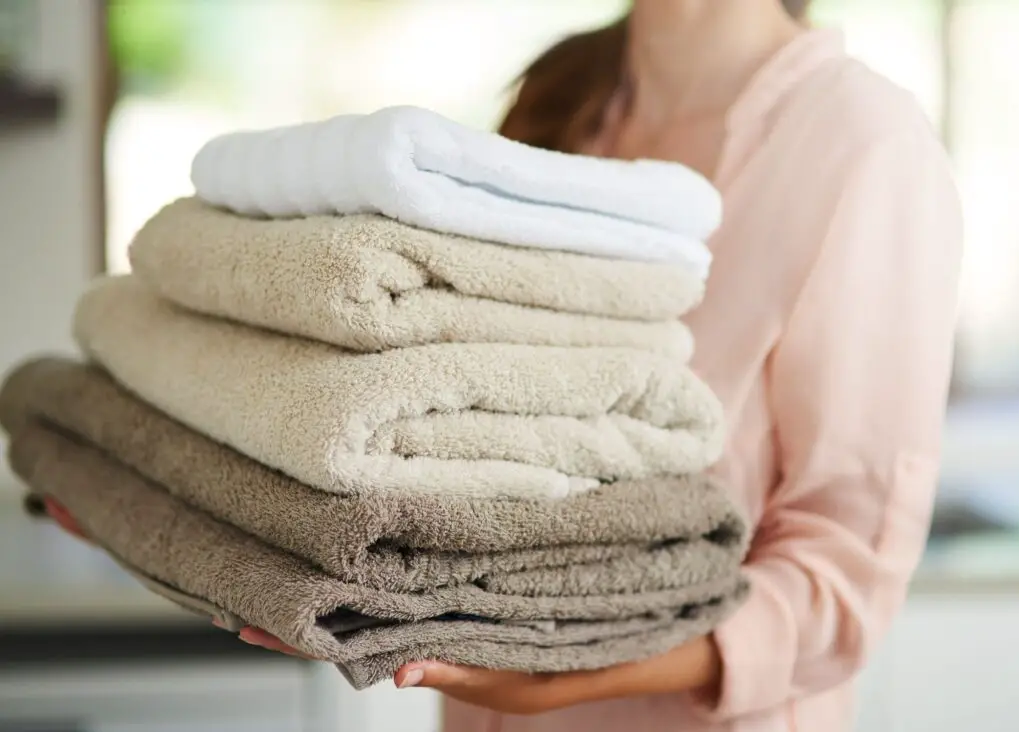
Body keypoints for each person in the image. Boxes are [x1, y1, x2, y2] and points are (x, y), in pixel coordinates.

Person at [45, 0, 963, 730]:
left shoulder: (863, 143)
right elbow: (430, 447)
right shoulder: (567, 97)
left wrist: (558, 670)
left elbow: (848, 570)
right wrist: (183, 508)